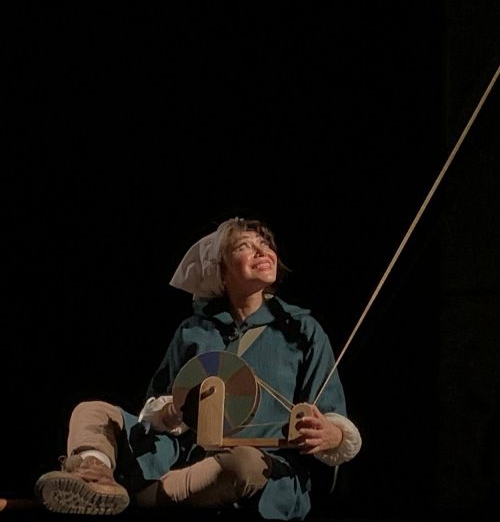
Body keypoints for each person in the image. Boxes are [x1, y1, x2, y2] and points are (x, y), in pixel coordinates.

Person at [34, 216, 362, 519]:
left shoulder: (301, 330)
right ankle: (96, 477)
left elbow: (331, 413)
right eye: (244, 245)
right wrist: (168, 414)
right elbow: (158, 403)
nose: (262, 251)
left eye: (266, 244)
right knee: (91, 410)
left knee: (243, 464)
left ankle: (135, 498)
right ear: (220, 271)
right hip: (181, 458)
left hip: (252, 467)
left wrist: (332, 435)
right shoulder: (194, 330)